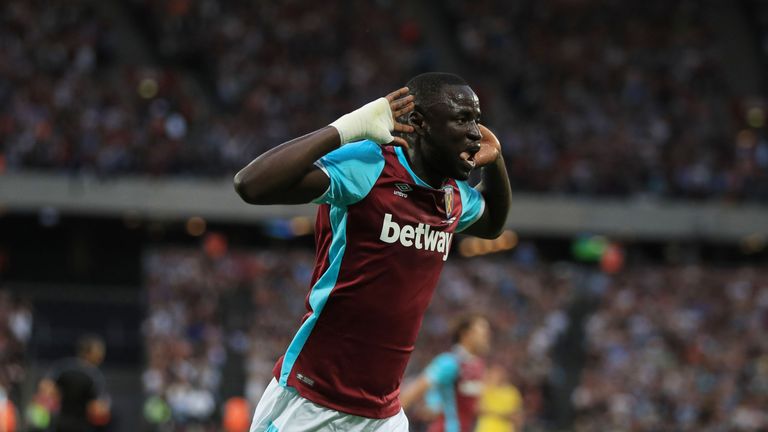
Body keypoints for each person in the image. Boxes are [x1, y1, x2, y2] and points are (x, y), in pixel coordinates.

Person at [235, 72, 512, 431]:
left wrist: (497, 161)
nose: (475, 132)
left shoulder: (452, 195)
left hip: (383, 416)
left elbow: (492, 225)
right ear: (419, 123)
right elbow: (251, 185)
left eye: (476, 119)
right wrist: (346, 127)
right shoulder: (371, 166)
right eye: (462, 119)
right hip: (312, 404)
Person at [400, 314, 491, 432]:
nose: (487, 337)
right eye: (482, 333)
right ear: (466, 334)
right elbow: (413, 391)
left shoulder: (478, 365)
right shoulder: (449, 362)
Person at [39, 336, 110, 432]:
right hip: (81, 426)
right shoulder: (94, 376)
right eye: (99, 354)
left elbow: (45, 387)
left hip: (60, 423)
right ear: (89, 353)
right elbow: (96, 408)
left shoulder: (65, 367)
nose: (101, 357)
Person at [475, 365, 524, 432]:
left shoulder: (512, 392)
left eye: (497, 374)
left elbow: (517, 417)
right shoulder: (484, 389)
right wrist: (502, 413)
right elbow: (477, 409)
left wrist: (491, 411)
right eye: (492, 374)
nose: (495, 376)